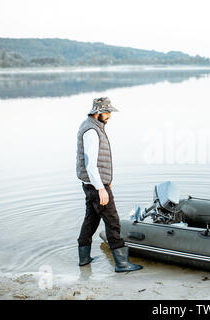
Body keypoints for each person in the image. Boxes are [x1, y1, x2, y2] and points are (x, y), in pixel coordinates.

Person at [76, 97, 142, 272]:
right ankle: (122, 263)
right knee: (113, 221)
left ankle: (84, 259)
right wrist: (101, 188)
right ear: (98, 112)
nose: (110, 116)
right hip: (95, 186)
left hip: (92, 184)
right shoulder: (92, 131)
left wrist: (106, 182)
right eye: (107, 112)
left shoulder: (90, 125)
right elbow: (91, 164)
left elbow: (96, 162)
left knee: (90, 220)